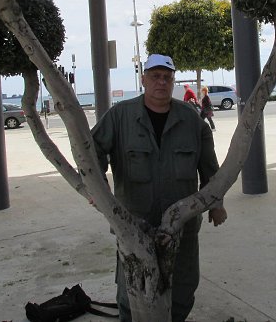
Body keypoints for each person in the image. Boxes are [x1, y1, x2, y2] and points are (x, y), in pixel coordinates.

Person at [91, 53, 227, 322]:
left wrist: (216, 203)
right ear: (143, 80)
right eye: (155, 76)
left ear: (173, 81)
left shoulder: (191, 119)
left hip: (182, 227)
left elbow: (209, 167)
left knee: (183, 287)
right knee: (131, 291)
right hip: (134, 225)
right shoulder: (119, 116)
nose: (161, 82)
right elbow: (90, 149)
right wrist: (98, 189)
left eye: (167, 77)